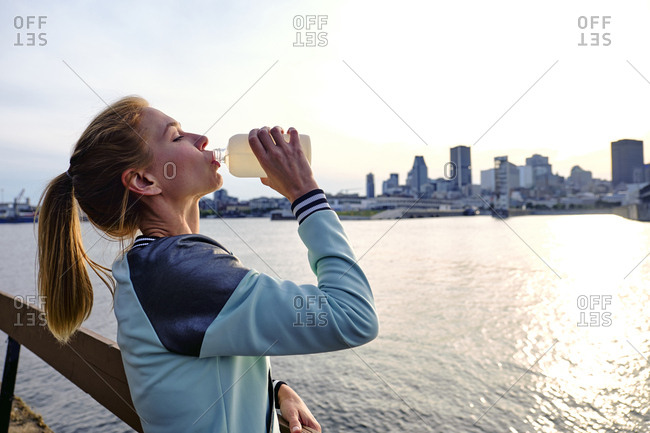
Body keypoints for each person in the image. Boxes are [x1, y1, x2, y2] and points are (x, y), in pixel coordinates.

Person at [37, 96, 379, 433]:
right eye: (175, 136)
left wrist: (276, 392)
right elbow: (354, 317)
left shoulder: (154, 265)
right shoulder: (178, 272)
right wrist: (305, 195)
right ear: (144, 181)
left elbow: (199, 362)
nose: (202, 139)